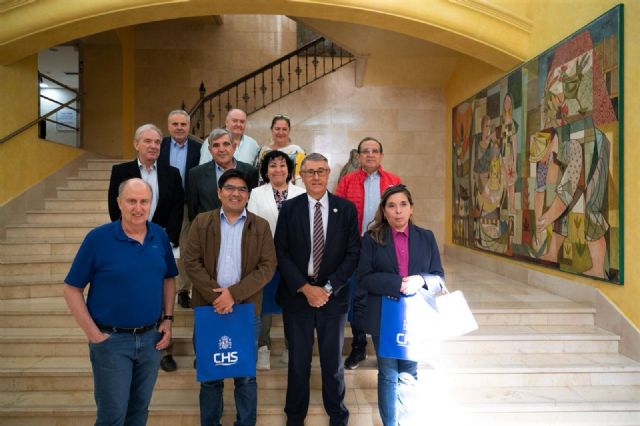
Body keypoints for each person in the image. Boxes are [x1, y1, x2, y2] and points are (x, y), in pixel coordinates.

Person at [64, 178, 177, 426]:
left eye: (144, 201)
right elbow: (72, 289)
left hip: (151, 341)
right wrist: (94, 335)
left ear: (151, 203)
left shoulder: (159, 235)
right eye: (131, 201)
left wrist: (168, 319)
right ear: (119, 203)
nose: (138, 208)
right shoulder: (98, 239)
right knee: (112, 415)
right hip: (111, 341)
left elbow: (169, 279)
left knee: (139, 411)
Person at [183, 169, 277, 426]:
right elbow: (191, 262)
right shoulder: (202, 222)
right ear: (219, 193)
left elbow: (267, 267)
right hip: (209, 308)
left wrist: (233, 295)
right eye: (230, 188)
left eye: (242, 189)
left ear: (248, 195)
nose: (236, 193)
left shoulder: (260, 225)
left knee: (246, 375)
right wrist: (218, 296)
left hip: (246, 310)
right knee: (210, 375)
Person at [274, 153, 360, 426]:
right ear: (300, 175)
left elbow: (352, 253)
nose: (315, 177)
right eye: (310, 171)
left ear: (329, 173)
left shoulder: (345, 209)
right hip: (297, 297)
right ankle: (295, 418)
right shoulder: (289, 208)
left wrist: (328, 287)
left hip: (333, 299)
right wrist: (304, 287)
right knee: (298, 364)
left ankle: (338, 417)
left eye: (321, 171)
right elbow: (281, 252)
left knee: (333, 365)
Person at [356, 184, 445, 426]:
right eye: (392, 206)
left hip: (415, 316)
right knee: (388, 374)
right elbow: (363, 278)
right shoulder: (372, 239)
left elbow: (438, 277)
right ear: (384, 212)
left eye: (403, 204)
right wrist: (398, 283)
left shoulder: (426, 237)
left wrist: (421, 279)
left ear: (411, 209)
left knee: (409, 373)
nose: (398, 211)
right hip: (385, 314)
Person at [335, 137, 401, 370]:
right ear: (359, 156)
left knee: (382, 294)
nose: (370, 155)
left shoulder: (393, 181)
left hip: (385, 245)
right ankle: (358, 347)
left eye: (375, 151)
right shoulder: (347, 181)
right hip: (357, 246)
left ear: (381, 155)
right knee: (358, 297)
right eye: (365, 151)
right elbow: (338, 215)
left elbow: (401, 210)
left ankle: (385, 345)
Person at [247, 150, 306, 370]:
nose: (278, 169)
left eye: (282, 165)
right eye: (273, 165)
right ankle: (263, 347)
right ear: (266, 170)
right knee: (264, 305)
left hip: (295, 259)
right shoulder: (256, 193)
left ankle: (291, 348)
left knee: (293, 304)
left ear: (289, 170)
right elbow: (253, 225)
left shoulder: (301, 193)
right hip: (265, 257)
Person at [158, 109, 202, 371]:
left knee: (186, 252)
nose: (179, 128)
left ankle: (183, 289)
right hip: (161, 205)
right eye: (174, 124)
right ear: (168, 125)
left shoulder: (198, 147)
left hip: (187, 204)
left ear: (189, 126)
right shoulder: (158, 145)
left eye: (183, 124)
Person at [108, 124, 184, 247]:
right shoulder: (120, 172)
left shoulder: (173, 174)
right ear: (136, 144)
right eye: (148, 141)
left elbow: (177, 211)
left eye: (157, 142)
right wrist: (124, 237)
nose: (153, 146)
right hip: (128, 241)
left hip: (162, 242)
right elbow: (115, 208)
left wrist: (169, 241)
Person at [187, 128, 258, 221]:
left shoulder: (250, 171)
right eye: (216, 145)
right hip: (207, 231)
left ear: (234, 146)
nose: (221, 149)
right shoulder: (196, 174)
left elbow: (252, 206)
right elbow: (193, 211)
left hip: (241, 230)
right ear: (210, 149)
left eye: (226, 144)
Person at [255, 114, 306, 186]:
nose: (281, 132)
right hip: (266, 193)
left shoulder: (297, 151)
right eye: (277, 129)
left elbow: (301, 179)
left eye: (284, 129)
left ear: (289, 130)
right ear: (272, 130)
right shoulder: (263, 151)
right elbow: (260, 177)